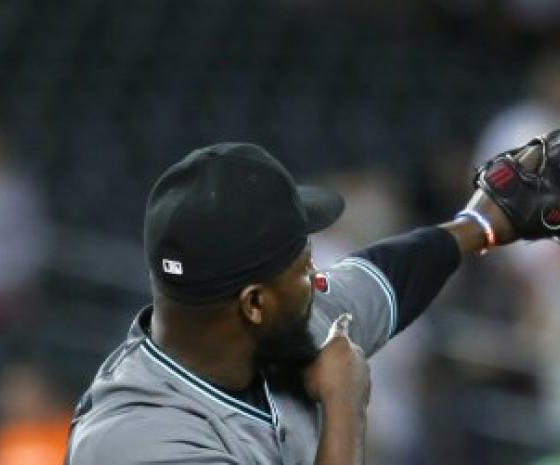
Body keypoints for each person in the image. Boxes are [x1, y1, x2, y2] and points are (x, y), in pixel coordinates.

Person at [64, 142, 520, 464]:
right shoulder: (133, 442)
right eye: (305, 268)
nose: (319, 279)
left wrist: (483, 223)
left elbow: (382, 276)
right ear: (255, 303)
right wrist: (344, 406)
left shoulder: (265, 332)